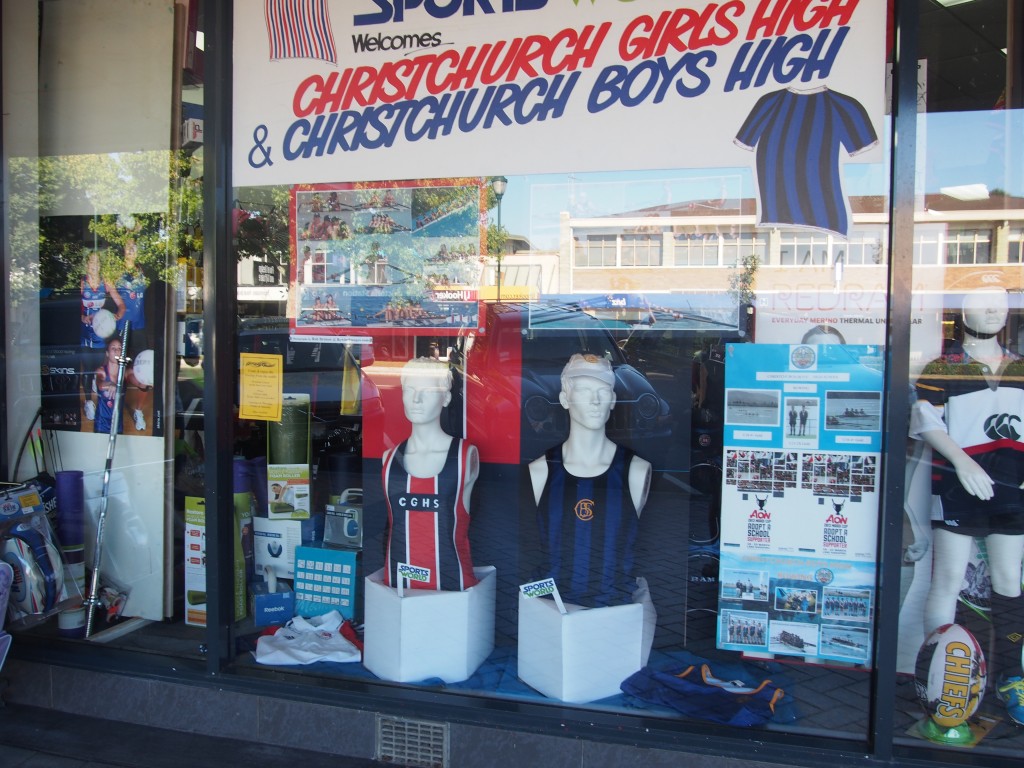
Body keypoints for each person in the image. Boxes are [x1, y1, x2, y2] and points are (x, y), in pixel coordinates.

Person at [911, 287, 1024, 724]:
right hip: (957, 485)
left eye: (1001, 300)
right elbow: (926, 420)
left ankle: (1011, 677)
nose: (995, 307)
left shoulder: (1019, 366)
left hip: (1012, 487)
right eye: (982, 300)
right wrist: (960, 461)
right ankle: (937, 678)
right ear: (962, 309)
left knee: (1008, 581)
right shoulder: (943, 366)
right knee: (947, 581)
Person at [528, 353, 653, 608]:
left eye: (603, 390)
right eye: (584, 390)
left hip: (615, 614)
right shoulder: (541, 470)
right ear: (565, 399)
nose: (595, 400)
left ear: (613, 399)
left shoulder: (635, 470)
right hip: (550, 613)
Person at [381, 358, 480, 591]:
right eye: (409, 390)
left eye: (427, 391)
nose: (416, 399)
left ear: (445, 398)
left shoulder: (465, 456)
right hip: (398, 586)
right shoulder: (389, 458)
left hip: (452, 586)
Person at [116, 238, 151, 432]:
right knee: (118, 373)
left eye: (134, 247)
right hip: (121, 328)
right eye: (127, 247)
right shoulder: (117, 272)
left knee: (143, 376)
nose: (131, 250)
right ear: (123, 251)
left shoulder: (142, 271)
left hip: (139, 328)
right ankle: (114, 412)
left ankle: (138, 411)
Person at [81, 249, 125, 349]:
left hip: (100, 334)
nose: (95, 265)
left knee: (99, 362)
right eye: (92, 262)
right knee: (86, 364)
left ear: (100, 265)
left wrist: (117, 316)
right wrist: (82, 317)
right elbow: (72, 307)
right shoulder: (82, 283)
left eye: (97, 262)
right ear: (87, 265)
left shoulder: (106, 282)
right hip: (84, 334)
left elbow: (122, 306)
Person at [87, 336, 129, 434]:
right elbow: (100, 385)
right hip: (101, 424)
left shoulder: (125, 373)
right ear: (107, 353)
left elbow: (139, 383)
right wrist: (110, 384)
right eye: (113, 348)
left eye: (119, 348)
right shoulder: (101, 371)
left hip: (117, 425)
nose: (116, 351)